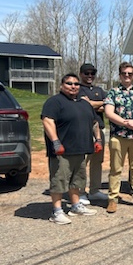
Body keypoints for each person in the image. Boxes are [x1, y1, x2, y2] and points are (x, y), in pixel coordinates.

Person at [42, 73, 102, 224]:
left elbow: (94, 122)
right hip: (62, 151)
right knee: (59, 180)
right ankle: (57, 211)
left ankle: (75, 205)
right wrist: (56, 142)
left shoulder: (84, 103)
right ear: (62, 85)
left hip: (81, 149)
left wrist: (98, 139)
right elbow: (48, 120)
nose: (73, 86)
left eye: (76, 84)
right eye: (69, 83)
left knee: (78, 180)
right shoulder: (55, 102)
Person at [103, 62, 133, 213]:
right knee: (116, 169)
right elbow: (109, 113)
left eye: (130, 74)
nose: (127, 76)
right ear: (120, 75)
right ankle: (113, 198)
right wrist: (127, 123)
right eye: (124, 73)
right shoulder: (113, 93)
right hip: (119, 136)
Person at [78, 62, 107, 203]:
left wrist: (94, 104)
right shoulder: (77, 89)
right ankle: (80, 192)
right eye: (86, 73)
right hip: (84, 130)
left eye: (92, 73)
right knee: (82, 162)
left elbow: (108, 105)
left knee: (97, 161)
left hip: (99, 129)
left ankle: (94, 190)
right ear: (81, 74)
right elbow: (84, 105)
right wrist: (98, 104)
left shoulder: (98, 89)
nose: (90, 76)